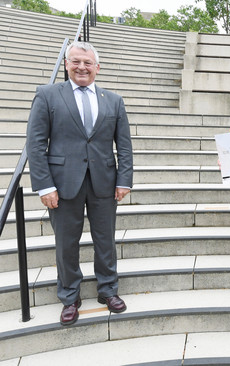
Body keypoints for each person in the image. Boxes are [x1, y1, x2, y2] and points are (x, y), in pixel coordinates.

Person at [26, 41, 133, 325]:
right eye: (76, 61)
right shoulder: (47, 95)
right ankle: (70, 296)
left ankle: (108, 290)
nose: (82, 67)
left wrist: (124, 179)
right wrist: (44, 185)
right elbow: (35, 145)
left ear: (97, 67)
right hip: (62, 184)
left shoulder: (114, 100)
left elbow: (124, 146)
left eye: (87, 63)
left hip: (104, 183)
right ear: (66, 64)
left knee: (105, 240)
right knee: (66, 243)